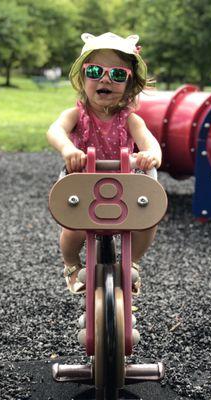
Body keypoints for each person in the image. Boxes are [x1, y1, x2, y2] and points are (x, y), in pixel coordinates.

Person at [47, 32, 162, 294]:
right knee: (74, 228)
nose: (105, 79)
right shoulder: (76, 114)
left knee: (147, 220)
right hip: (84, 183)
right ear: (82, 78)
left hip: (124, 184)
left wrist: (150, 155)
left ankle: (132, 262)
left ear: (129, 84)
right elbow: (54, 130)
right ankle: (72, 265)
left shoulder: (131, 119)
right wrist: (68, 148)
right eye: (96, 71)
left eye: (118, 74)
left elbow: (150, 142)